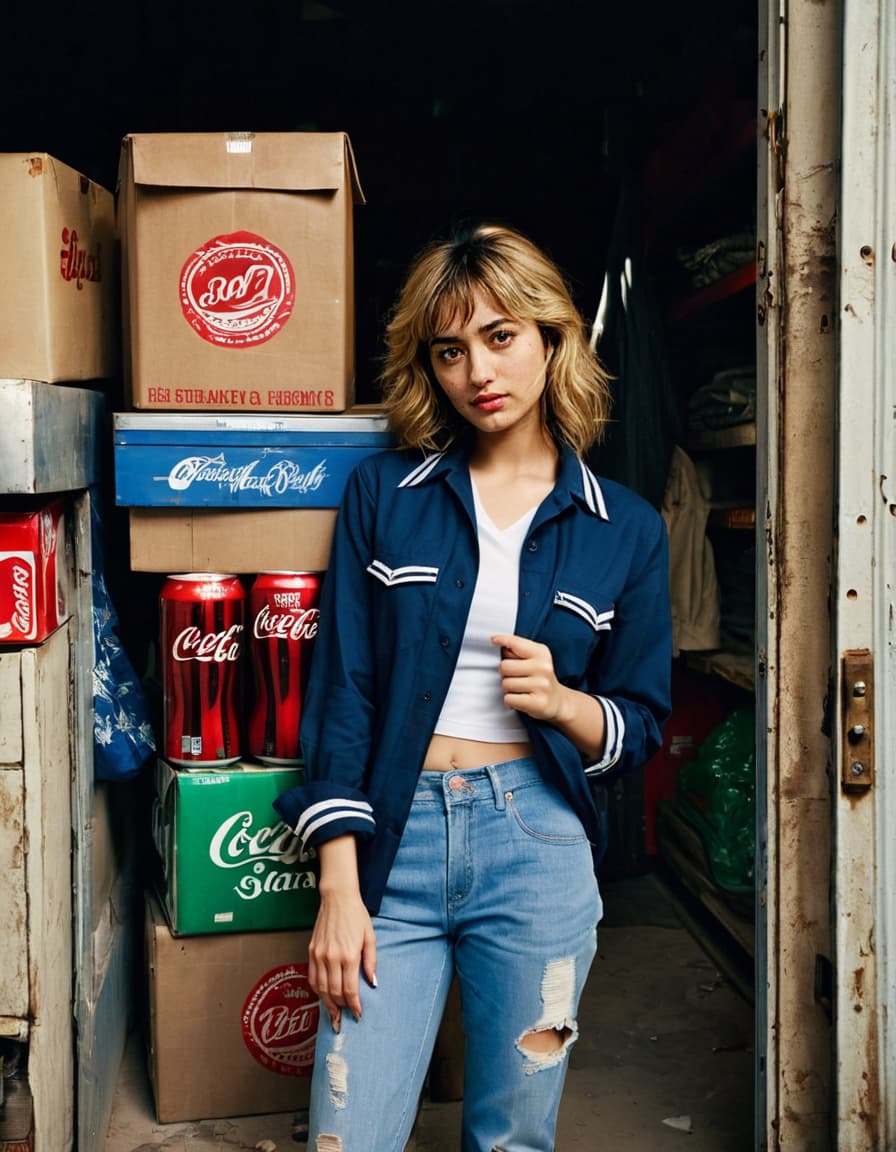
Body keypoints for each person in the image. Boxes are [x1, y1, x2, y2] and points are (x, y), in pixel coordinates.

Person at [274, 219, 672, 1152]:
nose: (477, 372)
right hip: (391, 843)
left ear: (550, 338)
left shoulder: (627, 527)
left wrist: (567, 703)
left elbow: (643, 723)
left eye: (500, 338)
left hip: (536, 843)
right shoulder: (387, 495)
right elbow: (345, 690)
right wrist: (340, 886)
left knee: (511, 1138)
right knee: (350, 1136)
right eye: (450, 351)